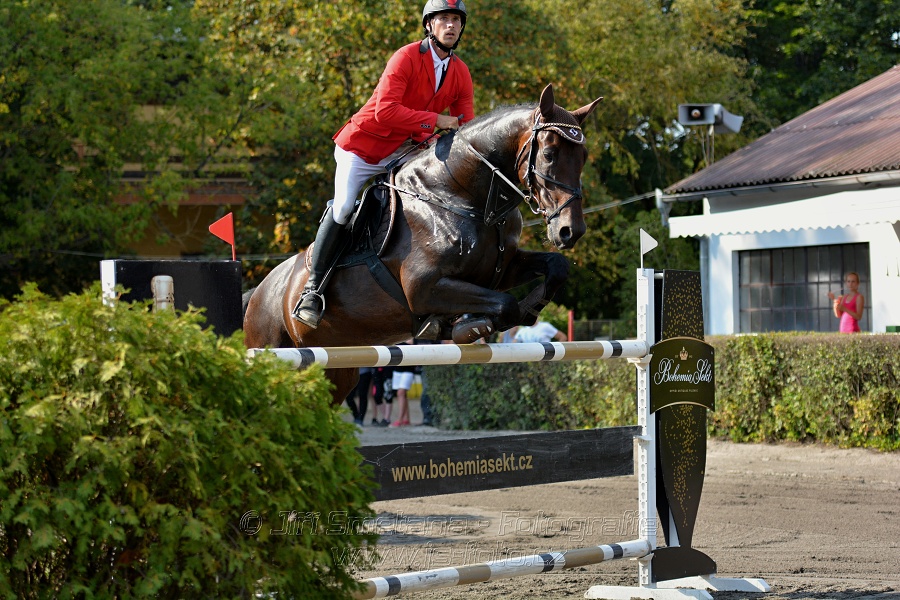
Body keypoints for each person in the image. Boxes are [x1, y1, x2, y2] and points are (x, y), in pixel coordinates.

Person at [292, 0, 475, 327]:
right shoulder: (406, 57)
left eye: (456, 20)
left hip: (406, 150)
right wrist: (436, 121)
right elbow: (384, 112)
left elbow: (465, 126)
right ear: (429, 25)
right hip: (362, 147)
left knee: (428, 204)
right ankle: (313, 288)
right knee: (345, 207)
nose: (451, 26)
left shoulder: (459, 71)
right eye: (444, 19)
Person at [389, 340, 416, 427]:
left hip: (408, 369)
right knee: (402, 395)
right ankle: (406, 419)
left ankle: (399, 420)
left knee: (400, 393)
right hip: (397, 369)